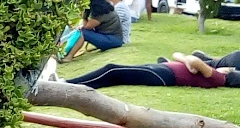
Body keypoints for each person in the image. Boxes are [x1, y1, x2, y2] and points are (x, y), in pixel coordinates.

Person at [53, 48, 240, 91]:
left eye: (231, 68)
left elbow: (193, 59)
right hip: (163, 68)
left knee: (113, 71)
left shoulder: (218, 78)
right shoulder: (212, 71)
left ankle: (67, 84)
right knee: (113, 72)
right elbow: (178, 54)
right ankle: (67, 84)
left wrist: (189, 61)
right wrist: (186, 60)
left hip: (165, 75)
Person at [61, 0, 127, 57]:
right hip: (113, 39)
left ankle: (68, 56)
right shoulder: (105, 9)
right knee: (81, 32)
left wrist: (85, 13)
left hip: (113, 41)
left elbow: (86, 27)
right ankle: (66, 52)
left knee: (83, 32)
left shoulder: (102, 14)